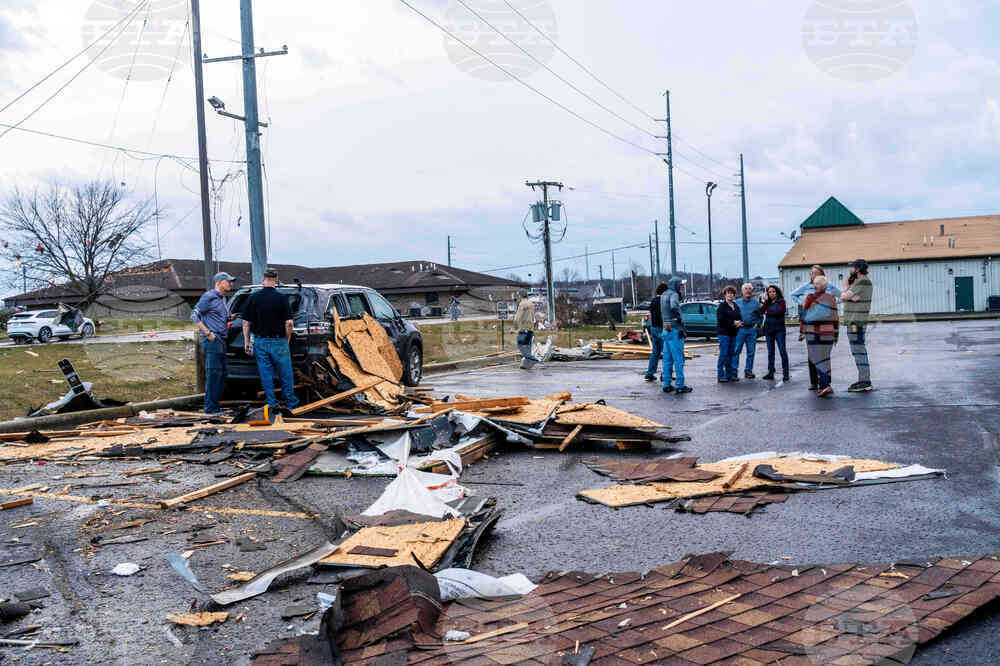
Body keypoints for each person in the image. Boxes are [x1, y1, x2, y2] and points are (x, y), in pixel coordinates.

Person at [241, 268, 300, 415]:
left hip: (260, 342)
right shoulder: (282, 298)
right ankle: (291, 403)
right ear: (276, 280)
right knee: (285, 373)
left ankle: (272, 403)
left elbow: (245, 323)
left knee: (266, 374)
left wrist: (247, 342)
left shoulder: (253, 298)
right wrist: (286, 339)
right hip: (279, 341)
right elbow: (290, 324)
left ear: (263, 280)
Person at [191, 271, 236, 414]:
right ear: (219, 282)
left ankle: (215, 406)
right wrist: (207, 333)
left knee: (222, 374)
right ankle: (210, 409)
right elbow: (194, 315)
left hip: (222, 340)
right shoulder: (209, 296)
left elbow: (218, 317)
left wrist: (230, 318)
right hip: (212, 340)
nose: (231, 283)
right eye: (228, 281)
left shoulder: (222, 298)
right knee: (214, 374)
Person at [790, 266, 841, 390]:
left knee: (821, 356)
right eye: (812, 274)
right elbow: (795, 297)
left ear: (822, 276)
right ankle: (816, 382)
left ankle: (825, 382)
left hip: (819, 329)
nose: (814, 276)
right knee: (814, 356)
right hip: (815, 329)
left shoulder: (829, 290)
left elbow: (839, 300)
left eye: (816, 274)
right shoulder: (808, 292)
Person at [802, 275, 839, 397]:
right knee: (825, 359)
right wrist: (836, 334)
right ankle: (826, 383)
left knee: (816, 359)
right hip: (828, 332)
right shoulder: (831, 298)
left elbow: (805, 314)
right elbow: (835, 317)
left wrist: (802, 330)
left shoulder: (810, 297)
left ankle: (825, 385)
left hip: (814, 332)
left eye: (815, 284)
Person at [841, 259, 874, 392]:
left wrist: (846, 290)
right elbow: (847, 296)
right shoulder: (858, 282)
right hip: (854, 321)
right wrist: (848, 294)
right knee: (857, 350)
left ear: (858, 269)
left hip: (856, 322)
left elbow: (843, 296)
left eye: (853, 267)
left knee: (858, 350)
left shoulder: (862, 281)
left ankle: (865, 381)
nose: (851, 269)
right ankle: (863, 379)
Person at [660, 276, 691, 394]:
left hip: (666, 327)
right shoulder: (674, 295)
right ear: (676, 285)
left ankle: (666, 383)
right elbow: (673, 306)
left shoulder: (663, 295)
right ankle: (680, 385)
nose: (682, 287)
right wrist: (679, 318)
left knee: (667, 358)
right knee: (679, 358)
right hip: (675, 328)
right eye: (681, 285)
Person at [732, 283, 762, 379]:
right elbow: (731, 316)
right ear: (742, 291)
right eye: (746, 289)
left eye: (750, 289)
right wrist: (735, 323)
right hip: (740, 330)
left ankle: (748, 371)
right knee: (736, 351)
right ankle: (733, 372)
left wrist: (757, 324)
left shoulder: (756, 304)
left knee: (751, 352)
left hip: (751, 330)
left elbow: (760, 316)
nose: (748, 290)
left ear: (752, 291)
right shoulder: (736, 303)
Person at [761, 285, 789, 381]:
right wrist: (765, 302)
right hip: (769, 330)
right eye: (769, 292)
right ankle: (771, 372)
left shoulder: (781, 302)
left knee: (782, 351)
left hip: (779, 330)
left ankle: (786, 373)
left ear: (777, 292)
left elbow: (780, 312)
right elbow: (761, 311)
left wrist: (768, 312)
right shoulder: (767, 302)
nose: (771, 293)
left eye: (773, 291)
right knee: (770, 352)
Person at [716, 285, 741, 382]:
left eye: (732, 293)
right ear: (725, 295)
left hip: (733, 333)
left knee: (731, 354)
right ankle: (720, 375)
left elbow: (739, 316)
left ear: (734, 295)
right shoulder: (722, 306)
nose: (730, 295)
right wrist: (733, 322)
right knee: (723, 354)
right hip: (724, 334)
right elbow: (721, 319)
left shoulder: (736, 306)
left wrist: (739, 322)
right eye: (728, 293)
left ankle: (729, 375)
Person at [644, 283, 668, 382]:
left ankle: (650, 373)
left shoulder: (653, 301)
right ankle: (665, 374)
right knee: (666, 353)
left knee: (655, 352)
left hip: (653, 328)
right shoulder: (663, 301)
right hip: (661, 328)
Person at [513, 294, 538, 370]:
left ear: (520, 297)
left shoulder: (522, 304)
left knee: (520, 344)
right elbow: (533, 317)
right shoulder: (531, 304)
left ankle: (532, 359)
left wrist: (514, 328)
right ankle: (526, 365)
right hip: (530, 329)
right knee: (527, 347)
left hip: (523, 328)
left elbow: (517, 318)